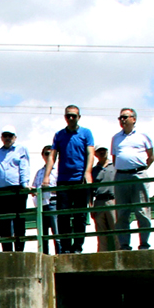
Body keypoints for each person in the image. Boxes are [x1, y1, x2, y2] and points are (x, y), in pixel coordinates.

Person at [44, 105, 94, 254]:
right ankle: (65, 247)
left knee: (80, 215)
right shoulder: (59, 135)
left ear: (79, 117)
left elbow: (90, 153)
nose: (71, 118)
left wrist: (88, 172)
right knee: (63, 215)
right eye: (68, 116)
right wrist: (46, 176)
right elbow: (52, 156)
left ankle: (78, 246)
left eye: (74, 115)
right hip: (64, 179)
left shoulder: (86, 133)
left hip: (80, 179)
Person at [110, 107, 154, 250]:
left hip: (138, 175)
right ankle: (124, 245)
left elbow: (151, 156)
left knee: (141, 210)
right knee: (122, 212)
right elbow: (115, 158)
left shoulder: (143, 136)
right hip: (121, 176)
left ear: (133, 119)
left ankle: (144, 244)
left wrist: (140, 169)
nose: (122, 120)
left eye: (125, 117)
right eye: (120, 118)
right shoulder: (116, 138)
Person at [0, 128, 30, 252]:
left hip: (17, 190)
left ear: (14, 137)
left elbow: (24, 168)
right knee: (4, 223)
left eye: (10, 135)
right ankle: (7, 250)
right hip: (2, 191)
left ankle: (19, 250)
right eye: (5, 135)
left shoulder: (21, 149)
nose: (8, 138)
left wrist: (25, 185)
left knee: (19, 221)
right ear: (1, 137)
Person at [32, 146, 57, 254]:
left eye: (50, 154)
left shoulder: (58, 171)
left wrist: (51, 189)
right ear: (43, 155)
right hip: (41, 204)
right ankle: (45, 255)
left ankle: (59, 254)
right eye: (46, 154)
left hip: (53, 202)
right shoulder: (39, 172)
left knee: (56, 233)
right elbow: (34, 186)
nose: (48, 156)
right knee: (43, 234)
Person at [91, 146, 117, 251]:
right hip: (98, 202)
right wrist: (91, 206)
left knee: (117, 231)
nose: (102, 152)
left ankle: (121, 256)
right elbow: (89, 189)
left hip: (113, 200)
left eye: (104, 150)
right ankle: (102, 258)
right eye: (99, 151)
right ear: (95, 154)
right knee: (101, 234)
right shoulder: (93, 170)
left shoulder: (116, 166)